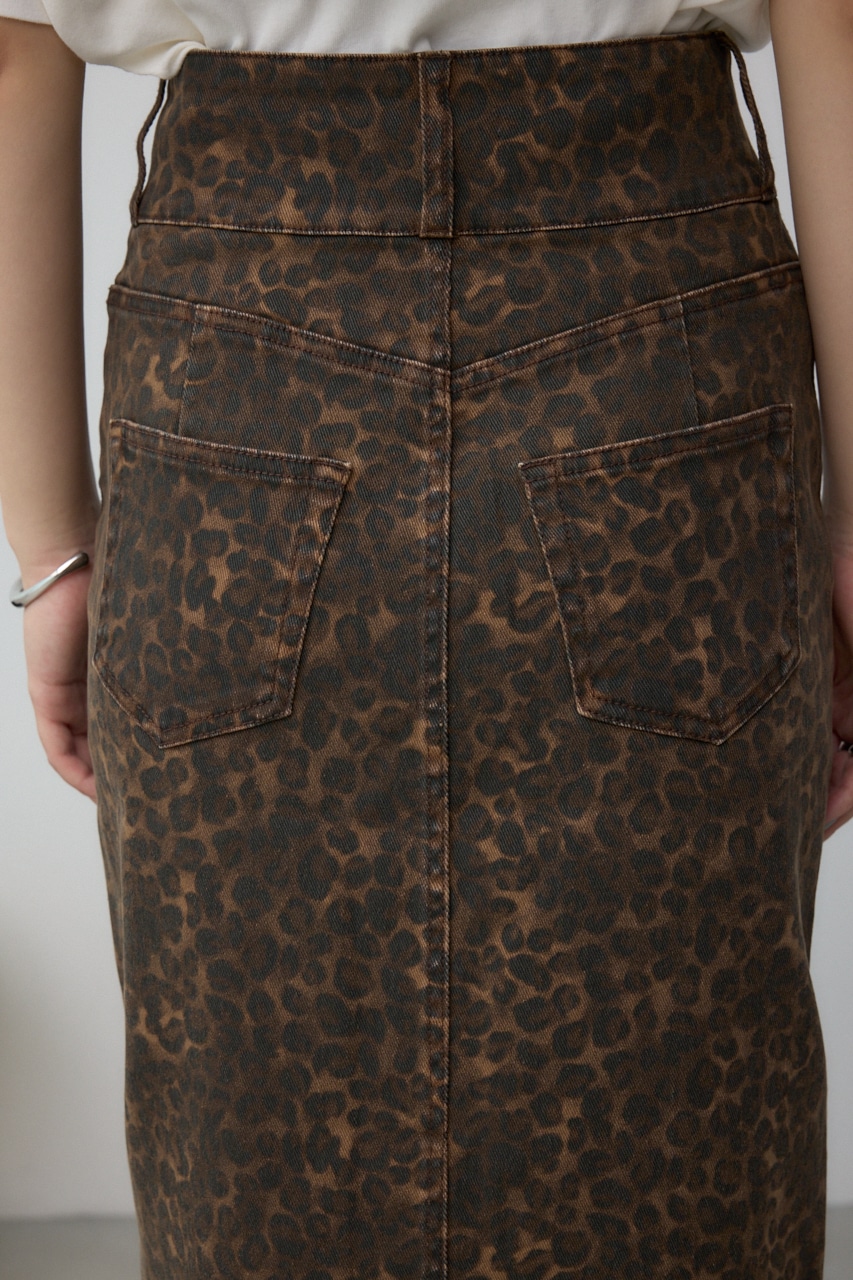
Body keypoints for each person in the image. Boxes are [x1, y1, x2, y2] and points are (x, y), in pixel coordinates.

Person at [0, 2, 850, 1277]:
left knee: (254, 1141)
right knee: (680, 1129)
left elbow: (13, 52)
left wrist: (53, 547)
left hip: (238, 365)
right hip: (655, 334)